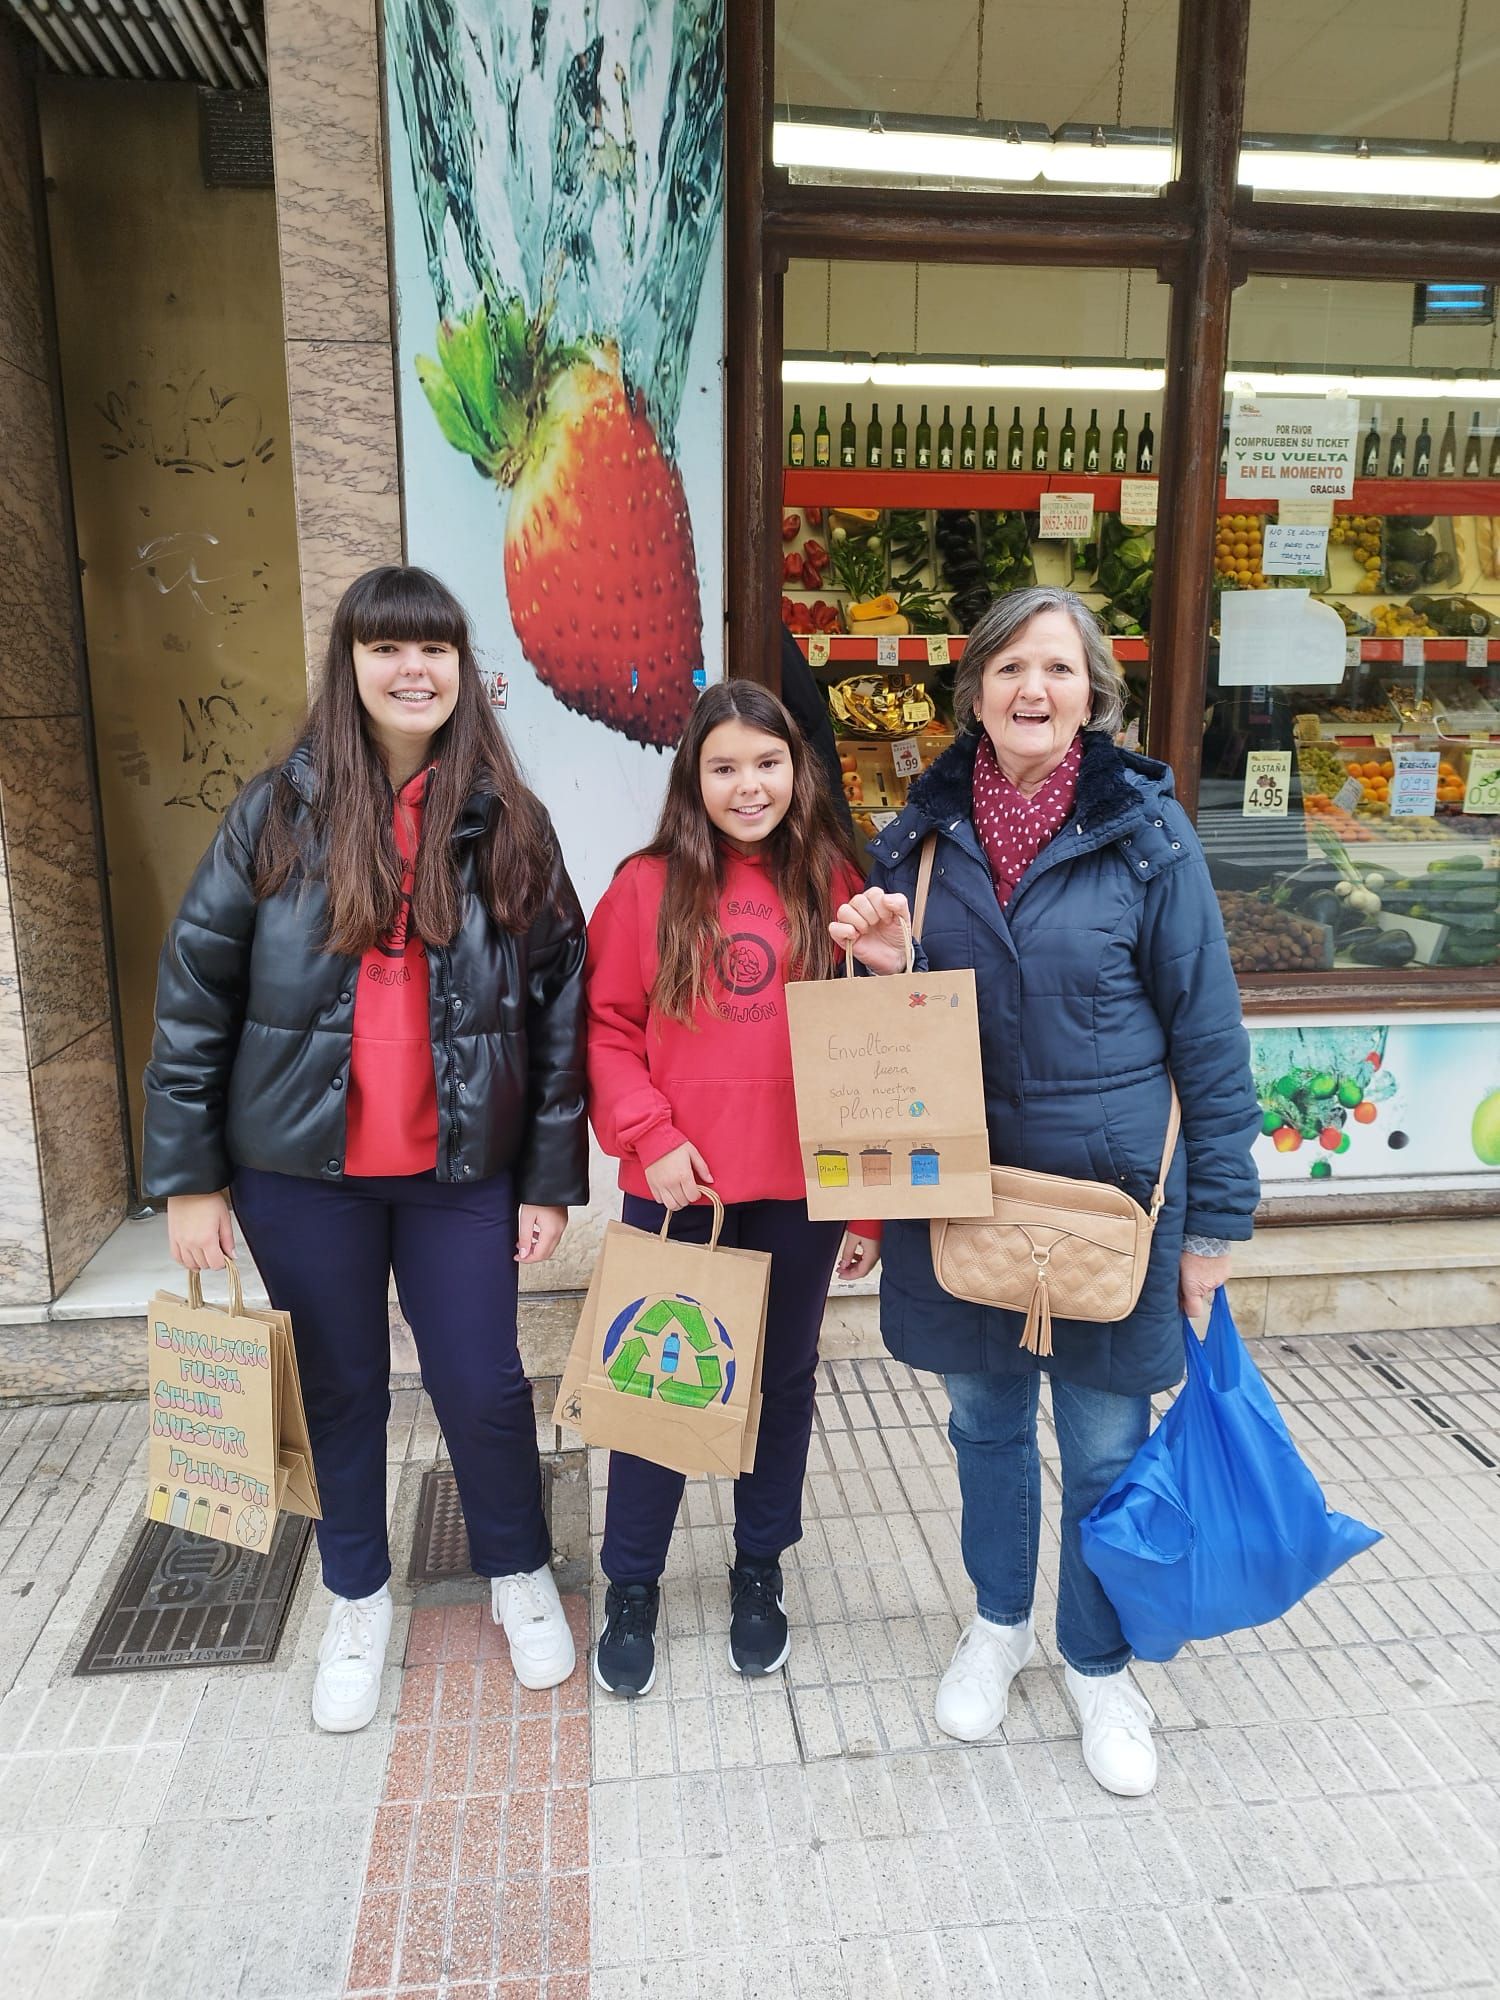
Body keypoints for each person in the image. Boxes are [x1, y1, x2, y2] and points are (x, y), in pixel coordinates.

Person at [144, 565, 588, 1731]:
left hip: (459, 1172)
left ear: (461, 669)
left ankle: (517, 1568)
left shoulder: (507, 819)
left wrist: (548, 1178)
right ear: (349, 664)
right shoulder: (273, 813)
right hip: (301, 1175)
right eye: (386, 646)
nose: (411, 668)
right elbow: (195, 995)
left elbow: (561, 1005)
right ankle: (356, 1593)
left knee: (483, 1383)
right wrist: (189, 1177)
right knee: (340, 1388)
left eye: (432, 647)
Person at [833, 585, 1259, 1797]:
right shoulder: (917, 840)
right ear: (974, 688)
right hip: (962, 1199)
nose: (1034, 688)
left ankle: (1097, 1657)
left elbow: (1209, 1036)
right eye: (1012, 665)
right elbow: (885, 1041)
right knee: (983, 1424)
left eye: (1059, 668)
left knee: (1107, 1442)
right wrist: (882, 966)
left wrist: (1216, 1224)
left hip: (1109, 1204)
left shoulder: (1149, 835)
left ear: (1094, 696)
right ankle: (999, 1619)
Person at [585, 679, 878, 1695]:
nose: (748, 785)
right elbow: (606, 1027)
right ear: (693, 779)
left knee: (782, 1382)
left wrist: (867, 1204)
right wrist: (649, 1135)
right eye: (724, 767)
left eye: (767, 763)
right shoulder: (646, 885)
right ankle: (632, 1582)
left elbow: (876, 1042)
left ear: (797, 770)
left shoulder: (834, 881)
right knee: (655, 1380)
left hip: (798, 1187)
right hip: (680, 1185)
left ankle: (759, 1567)